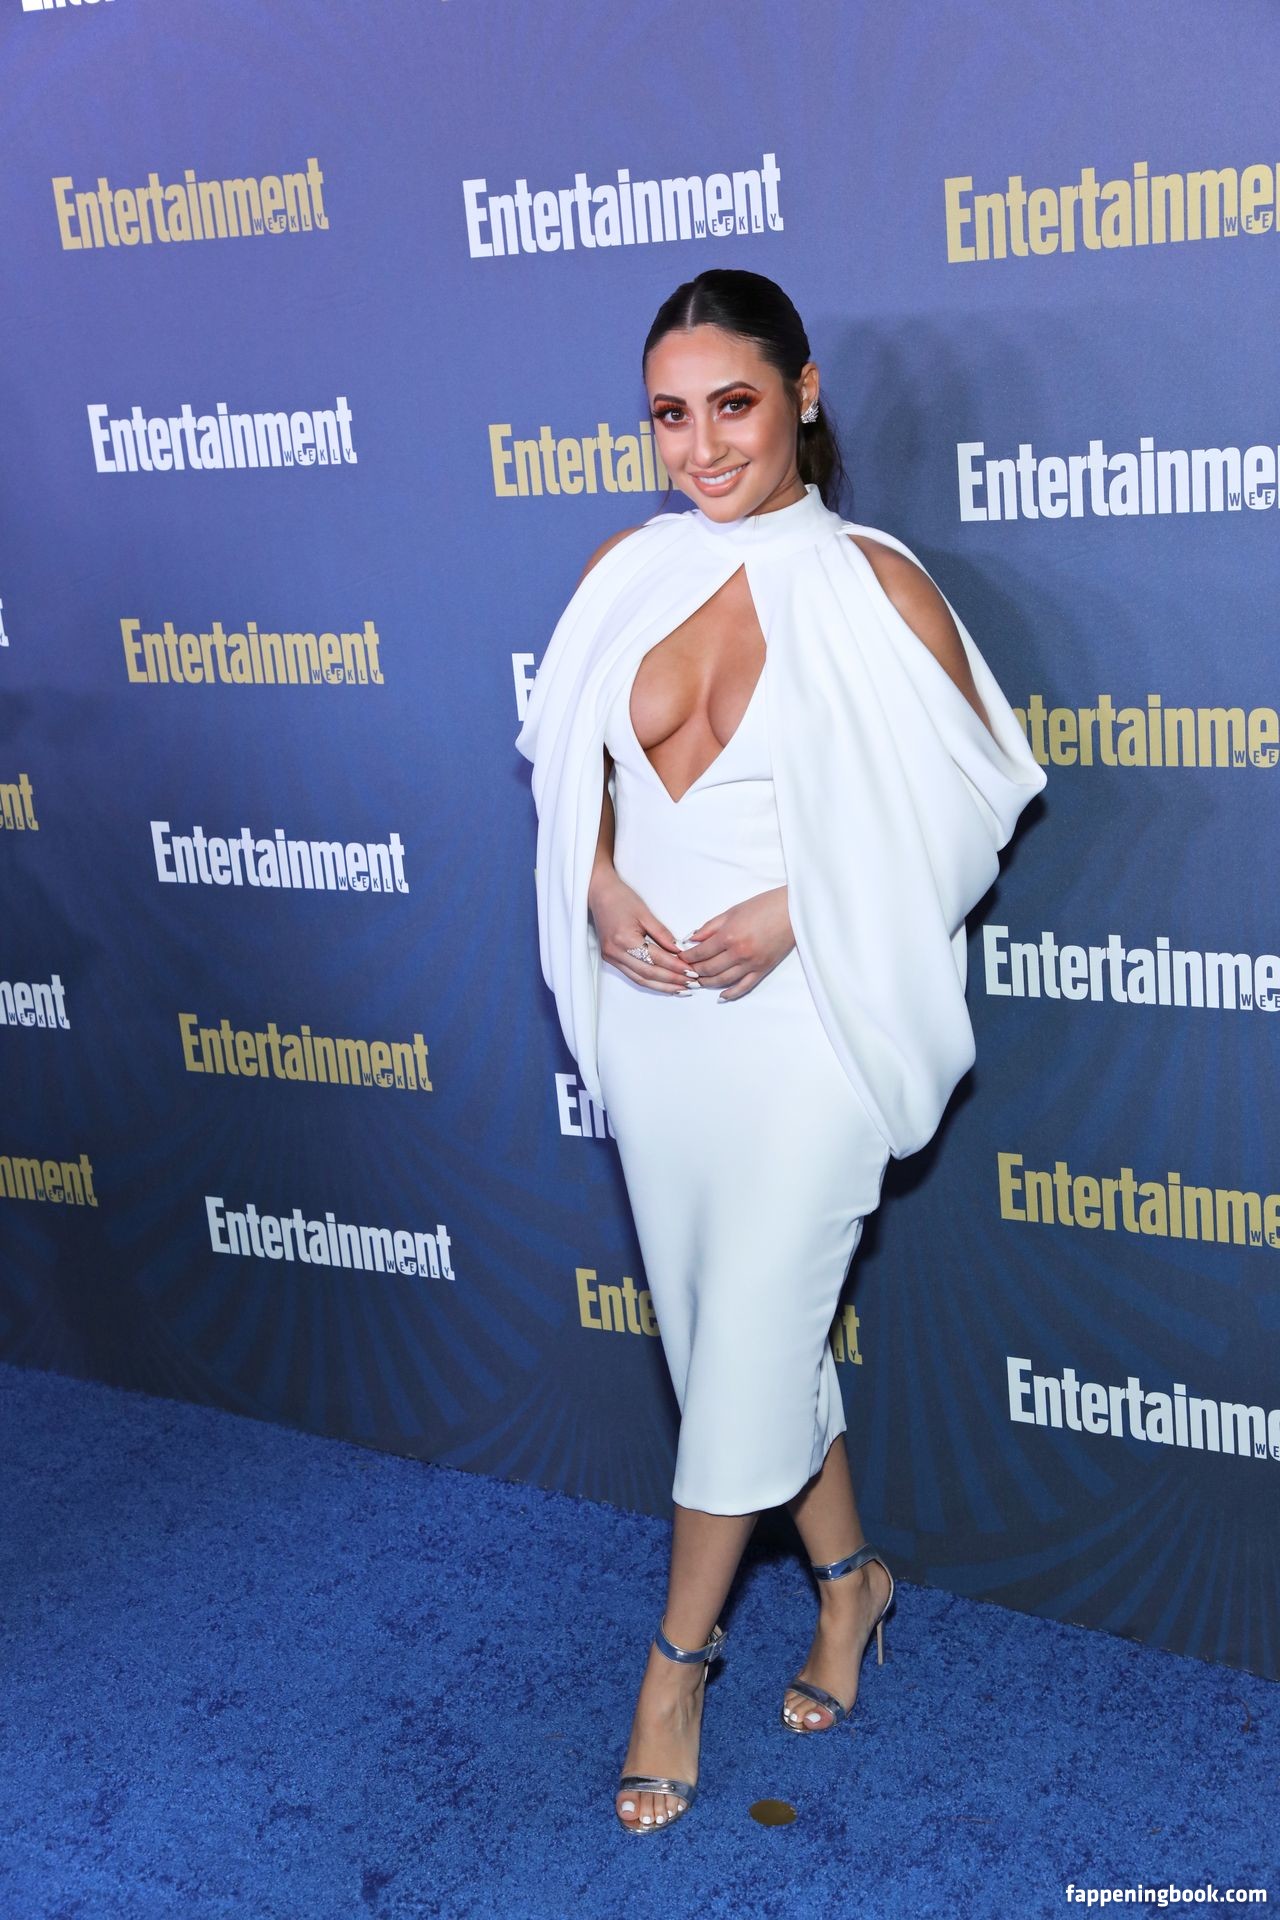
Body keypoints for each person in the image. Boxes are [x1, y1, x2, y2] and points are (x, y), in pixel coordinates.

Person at [513, 268, 1047, 1835]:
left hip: (811, 1024)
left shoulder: (872, 586)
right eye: (669, 416)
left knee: (746, 1333)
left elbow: (976, 806)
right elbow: (565, 769)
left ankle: (675, 1664)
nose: (701, 446)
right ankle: (852, 1578)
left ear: (802, 396)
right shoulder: (624, 572)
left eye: (732, 405)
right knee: (737, 1341)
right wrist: (598, 884)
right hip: (657, 1027)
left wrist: (802, 909)